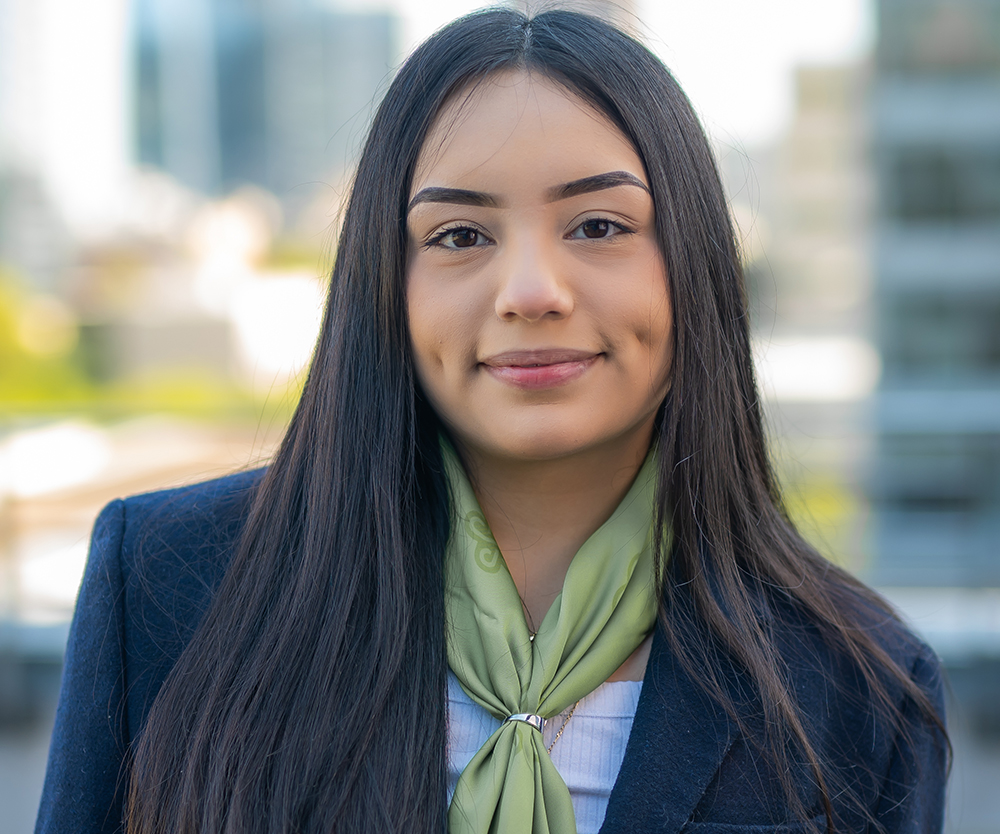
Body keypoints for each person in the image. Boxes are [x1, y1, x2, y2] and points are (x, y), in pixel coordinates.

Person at [35, 9, 947, 834]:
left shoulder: (857, 682)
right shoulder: (163, 583)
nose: (532, 293)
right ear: (384, 286)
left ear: (694, 266)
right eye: (460, 237)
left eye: (598, 226)